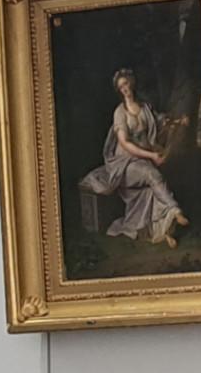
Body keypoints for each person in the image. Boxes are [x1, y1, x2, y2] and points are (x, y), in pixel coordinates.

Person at [78, 68, 186, 244]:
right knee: (153, 175)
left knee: (151, 190)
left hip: (143, 160)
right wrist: (152, 155)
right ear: (119, 90)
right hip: (124, 164)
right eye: (121, 87)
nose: (125, 88)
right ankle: (175, 210)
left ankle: (164, 231)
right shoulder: (120, 113)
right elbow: (125, 143)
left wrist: (177, 121)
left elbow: (160, 122)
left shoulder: (145, 107)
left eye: (126, 84)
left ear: (132, 83)